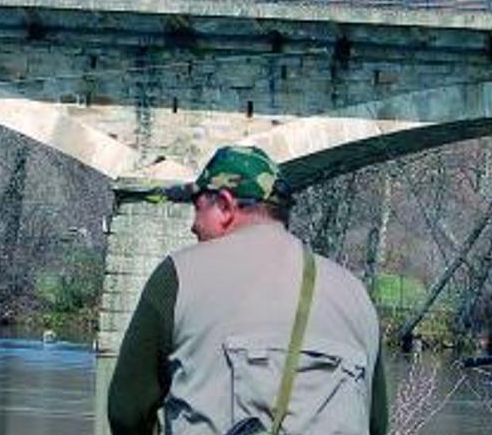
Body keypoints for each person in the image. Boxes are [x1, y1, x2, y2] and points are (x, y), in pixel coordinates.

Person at [108, 145, 388, 435]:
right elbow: (377, 424)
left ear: (225, 206)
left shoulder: (178, 276)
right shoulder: (357, 296)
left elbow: (126, 412)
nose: (193, 226)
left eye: (197, 207)